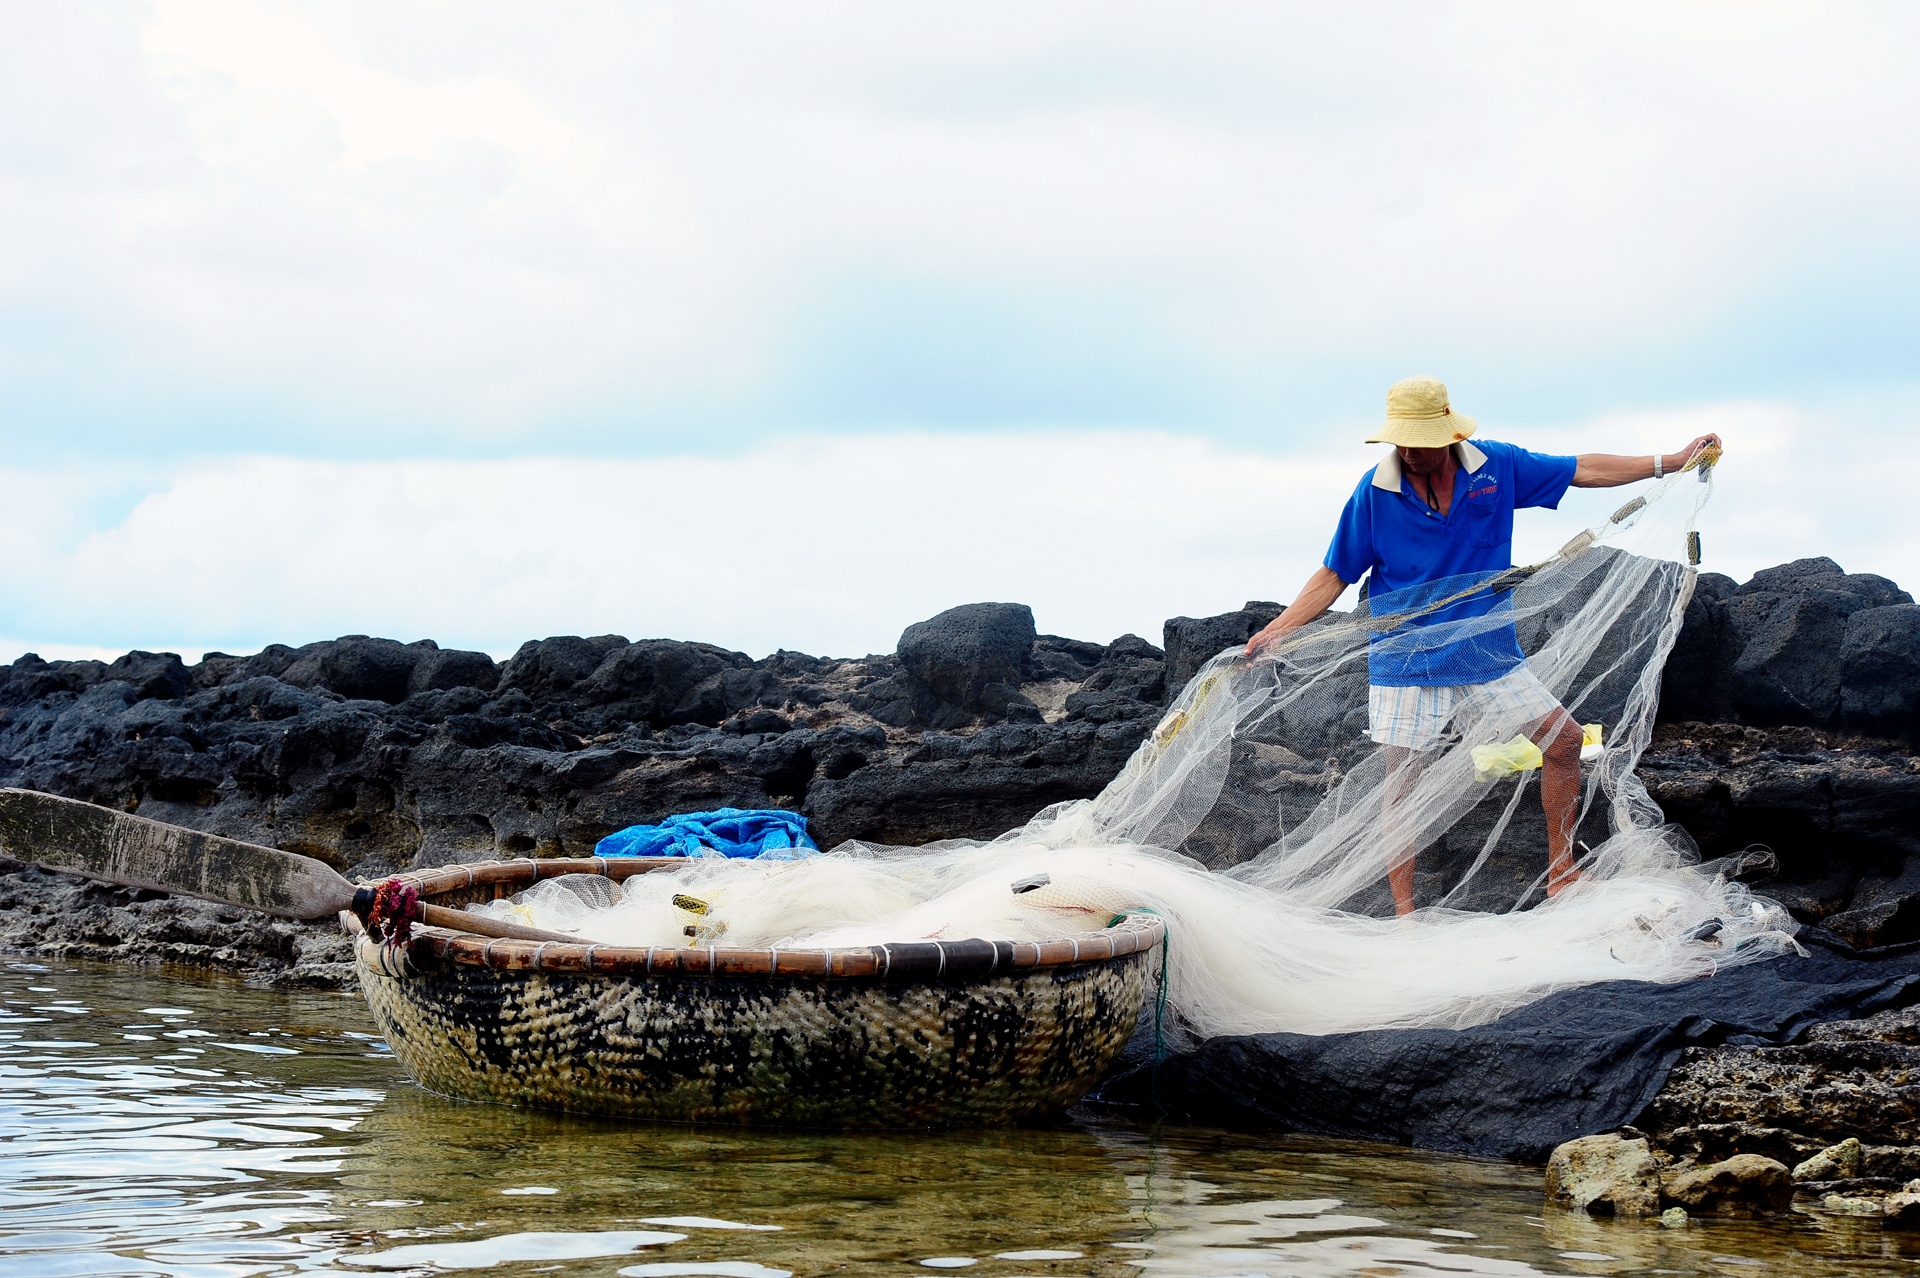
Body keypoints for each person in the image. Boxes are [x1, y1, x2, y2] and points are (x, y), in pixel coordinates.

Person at [1245, 376, 1718, 916]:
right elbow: (1336, 572)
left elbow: (1581, 469)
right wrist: (1281, 627)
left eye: (1419, 442)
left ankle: (1561, 875)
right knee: (1402, 785)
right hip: (1406, 656)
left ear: (1447, 434)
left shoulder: (1496, 467)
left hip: (1488, 650)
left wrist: (1670, 462)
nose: (1409, 452)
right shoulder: (1373, 492)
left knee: (1562, 743)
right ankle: (1405, 913)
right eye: (1401, 441)